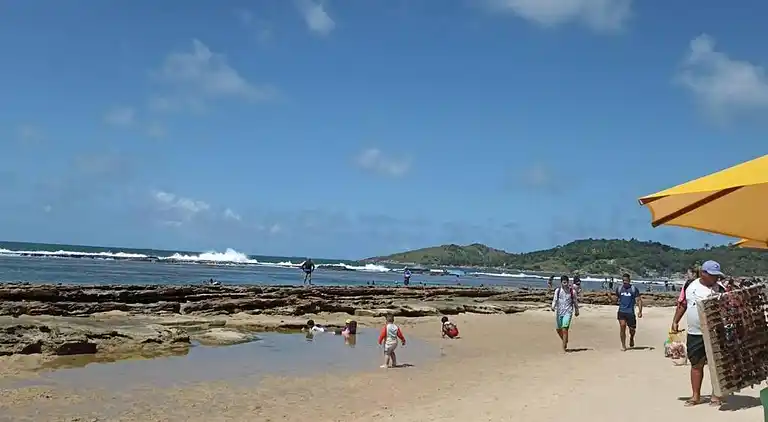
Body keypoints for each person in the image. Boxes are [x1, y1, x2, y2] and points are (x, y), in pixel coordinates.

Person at [671, 260, 727, 407]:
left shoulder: (720, 289)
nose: (716, 278)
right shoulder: (690, 285)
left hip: (714, 333)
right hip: (694, 333)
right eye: (713, 275)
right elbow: (682, 304)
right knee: (696, 364)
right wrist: (675, 321)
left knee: (716, 365)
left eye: (717, 276)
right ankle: (696, 396)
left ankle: (717, 396)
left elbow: (726, 311)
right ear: (703, 273)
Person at [551, 275, 579, 352]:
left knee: (564, 329)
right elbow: (555, 300)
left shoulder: (572, 292)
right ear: (561, 283)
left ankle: (563, 348)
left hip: (568, 312)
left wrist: (577, 310)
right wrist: (553, 306)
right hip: (559, 312)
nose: (565, 284)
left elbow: (575, 302)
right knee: (558, 329)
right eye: (563, 282)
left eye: (566, 282)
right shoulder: (558, 291)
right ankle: (565, 340)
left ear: (568, 282)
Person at [615, 273, 643, 351]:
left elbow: (639, 300)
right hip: (621, 311)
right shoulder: (619, 289)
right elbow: (616, 299)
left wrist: (640, 311)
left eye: (626, 280)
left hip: (630, 312)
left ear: (629, 280)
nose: (625, 282)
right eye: (623, 280)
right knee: (622, 326)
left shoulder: (634, 289)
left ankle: (631, 338)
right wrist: (611, 298)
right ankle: (623, 345)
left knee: (632, 330)